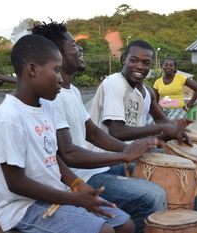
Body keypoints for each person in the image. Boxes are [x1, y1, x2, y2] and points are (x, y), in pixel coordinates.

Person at [0, 34, 137, 233]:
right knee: (104, 230)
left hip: (56, 194)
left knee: (125, 224)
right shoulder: (10, 117)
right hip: (24, 208)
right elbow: (16, 183)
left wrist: (76, 184)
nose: (60, 79)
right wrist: (71, 198)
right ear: (32, 69)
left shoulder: (46, 107)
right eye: (56, 70)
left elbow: (51, 155)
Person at [31, 21, 166, 233]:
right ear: (56, 53)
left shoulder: (72, 91)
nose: (80, 49)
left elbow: (93, 133)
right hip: (80, 177)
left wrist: (130, 150)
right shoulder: (51, 97)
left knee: (161, 172)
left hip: (94, 169)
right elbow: (68, 153)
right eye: (73, 45)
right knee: (153, 195)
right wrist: (125, 155)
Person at [90, 40, 197, 214]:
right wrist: (165, 128)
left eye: (146, 63)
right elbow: (117, 131)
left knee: (184, 175)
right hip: (105, 162)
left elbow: (162, 121)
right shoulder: (115, 83)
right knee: (171, 180)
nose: (140, 66)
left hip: (129, 155)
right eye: (134, 60)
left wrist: (178, 131)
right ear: (123, 60)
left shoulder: (144, 92)